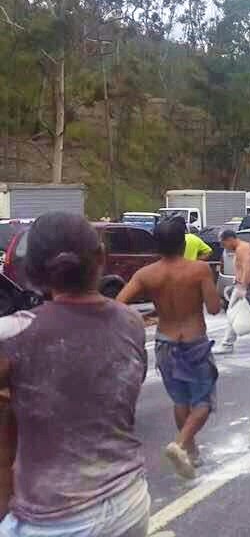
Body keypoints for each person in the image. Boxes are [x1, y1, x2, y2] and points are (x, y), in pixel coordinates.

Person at [0, 212, 150, 536]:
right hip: (129, 502)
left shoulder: (13, 335)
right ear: (101, 258)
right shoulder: (132, 323)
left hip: (53, 520)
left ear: (33, 269)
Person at [117, 216, 221, 480]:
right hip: (194, 342)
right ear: (183, 241)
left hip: (165, 342)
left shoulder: (146, 274)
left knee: (181, 399)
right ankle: (181, 443)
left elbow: (118, 305)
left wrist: (146, 316)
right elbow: (214, 308)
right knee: (204, 401)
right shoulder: (199, 270)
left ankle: (192, 452)